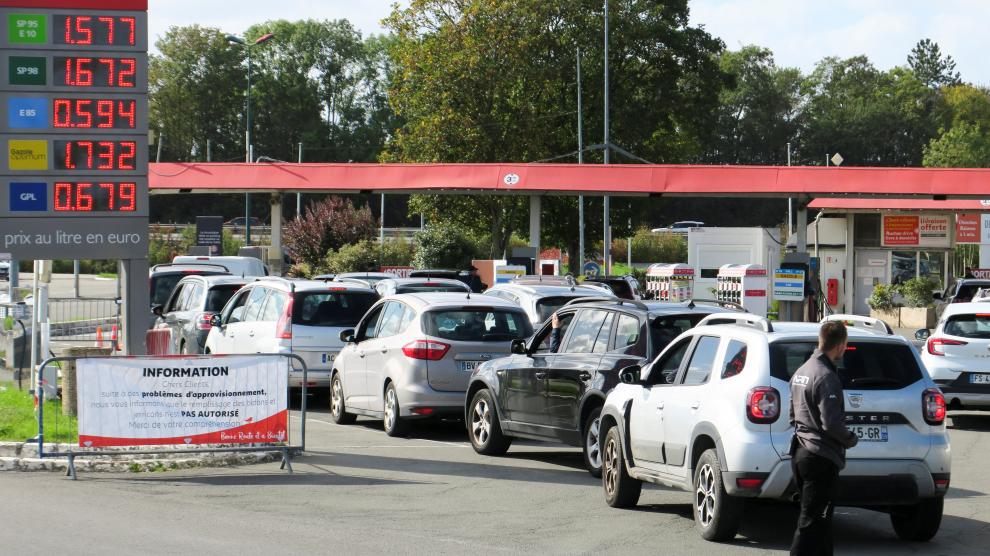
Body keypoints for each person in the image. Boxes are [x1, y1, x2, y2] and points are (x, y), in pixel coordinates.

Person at [788, 321, 859, 555]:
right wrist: (849, 438)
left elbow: (792, 414)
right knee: (811, 521)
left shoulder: (802, 371)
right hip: (820, 457)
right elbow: (831, 423)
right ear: (840, 346)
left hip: (801, 452)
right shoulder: (826, 376)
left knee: (820, 522)